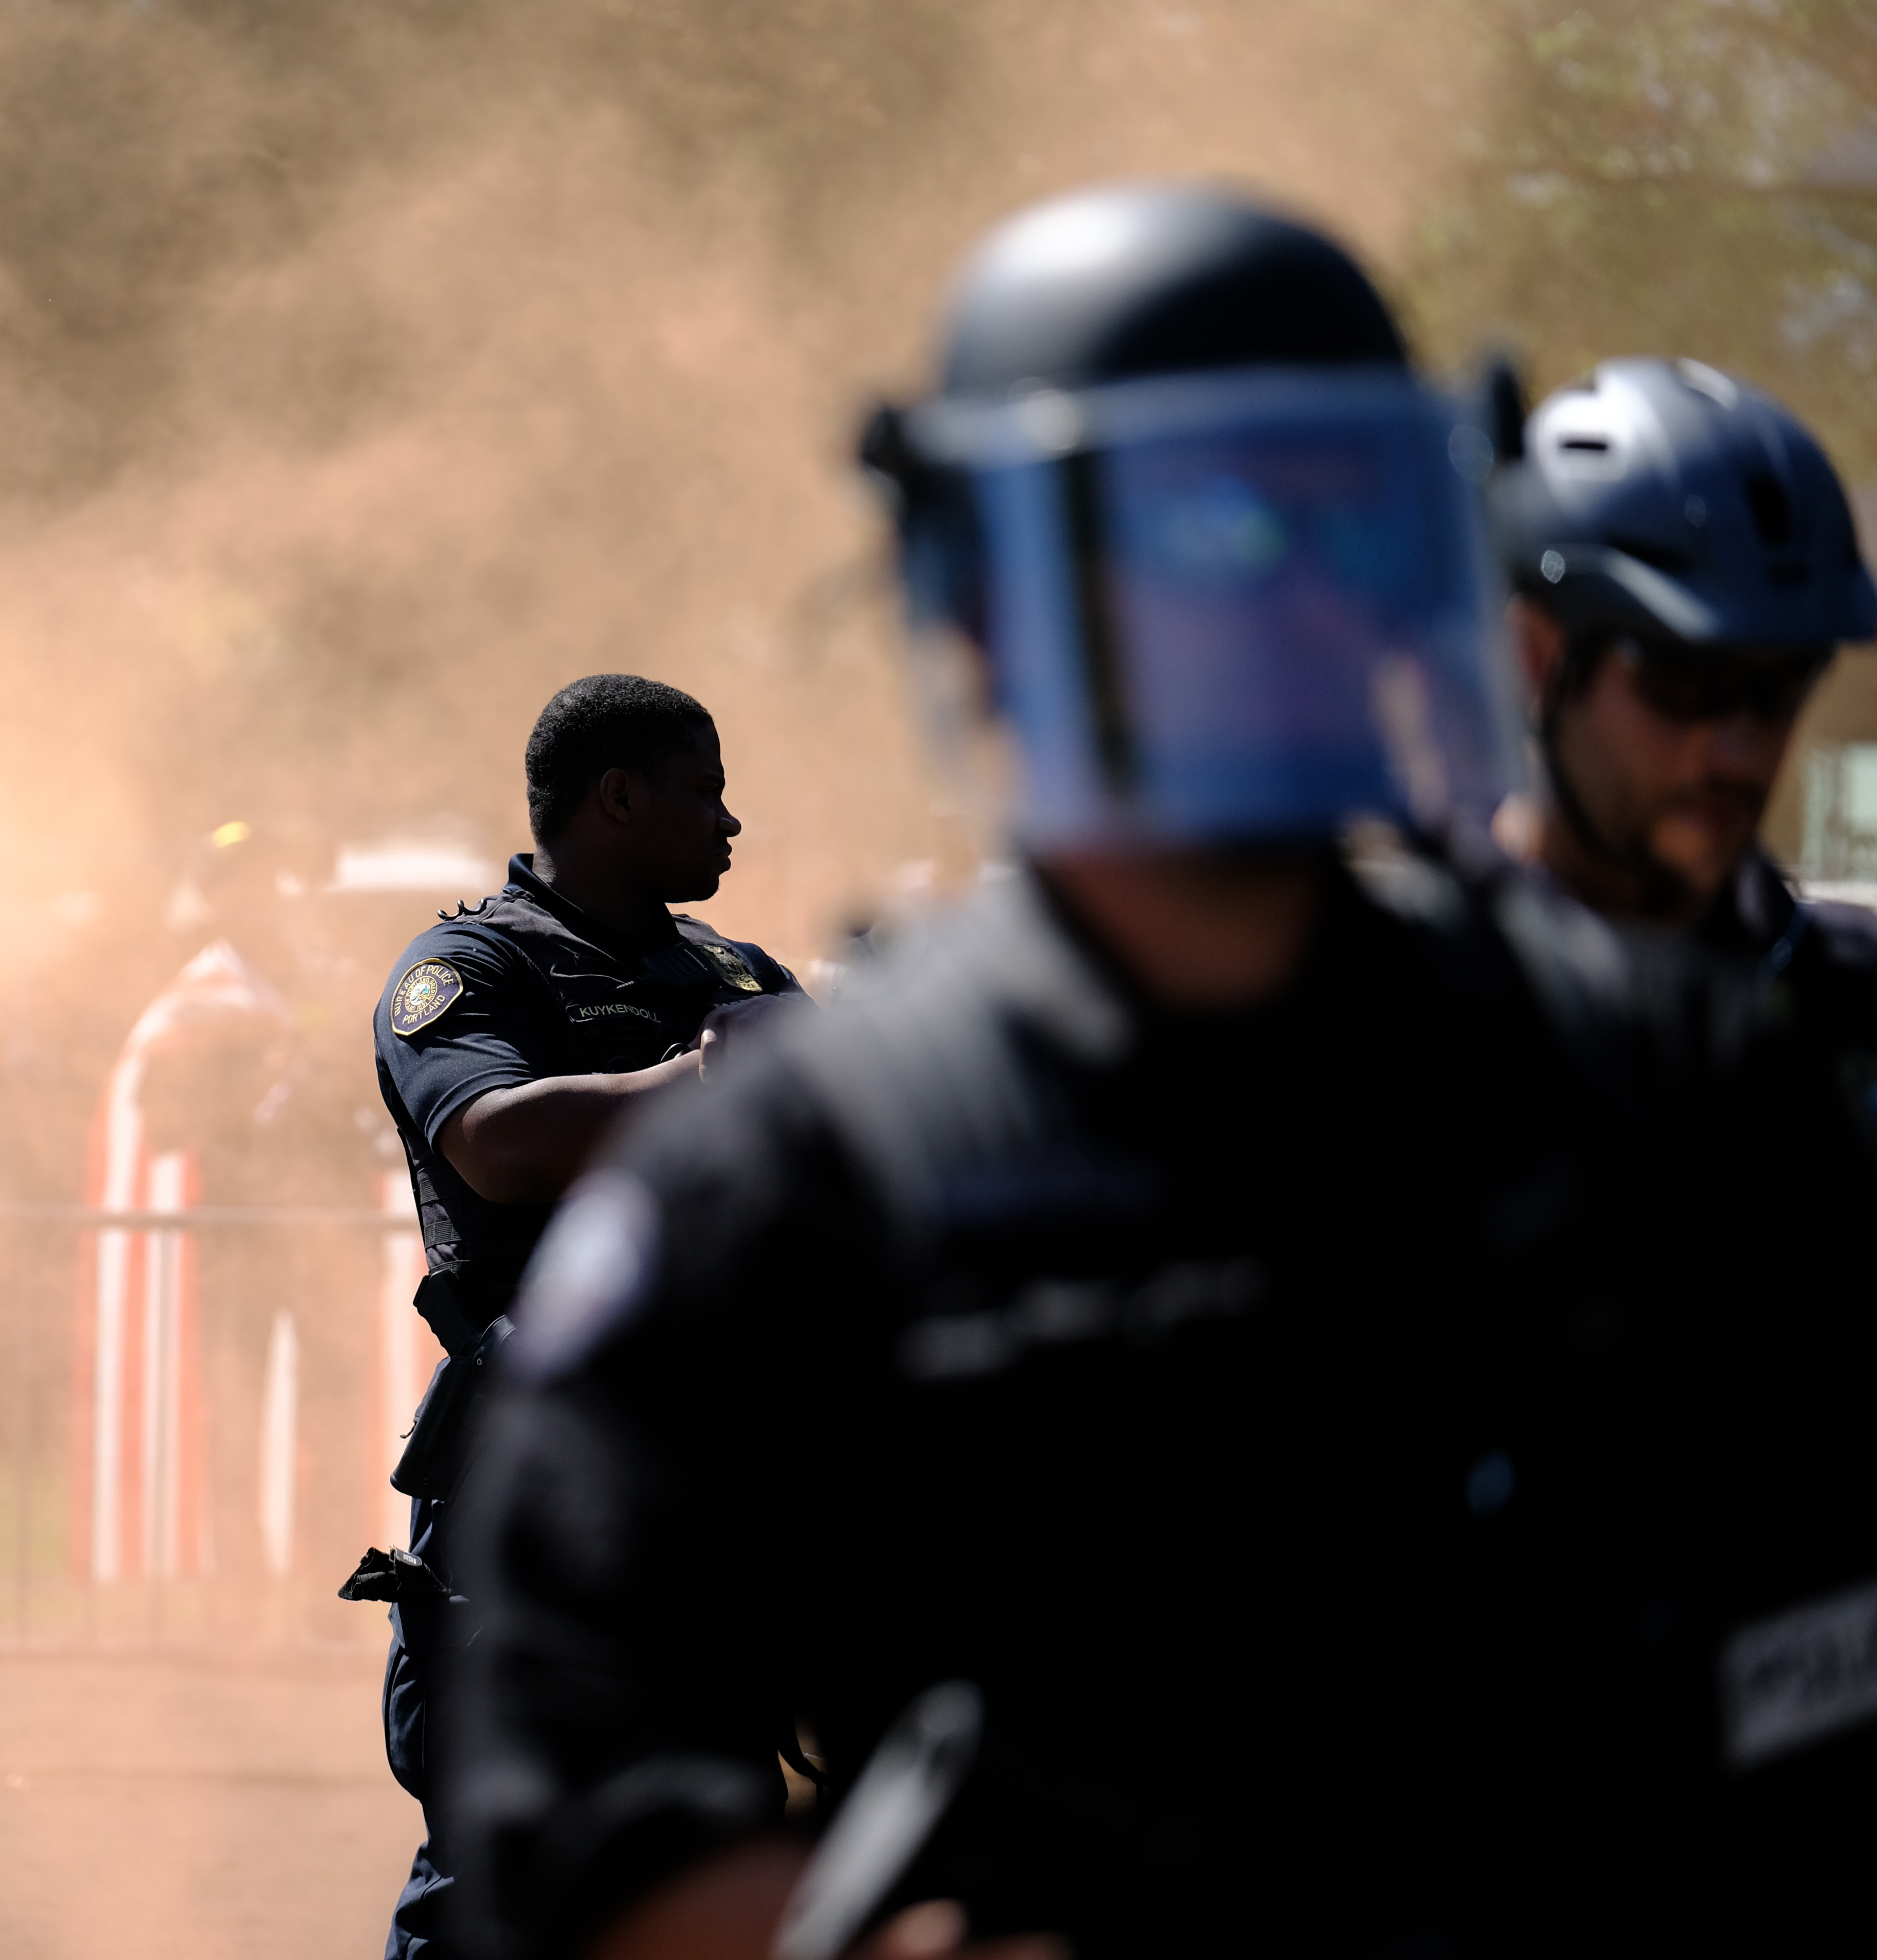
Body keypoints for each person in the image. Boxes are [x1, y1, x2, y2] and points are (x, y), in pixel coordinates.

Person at [442, 185, 1877, 1959]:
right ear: (993, 597)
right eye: (1192, 539)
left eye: (1329, 525)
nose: (1272, 606)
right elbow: (576, 1817)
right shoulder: (802, 1172)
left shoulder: (1673, 1082)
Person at [348, 674, 802, 1960]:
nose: (730, 824)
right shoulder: (470, 967)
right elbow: (495, 1143)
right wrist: (706, 1079)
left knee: (718, 1825)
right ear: (617, 797)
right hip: (531, 1464)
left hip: (724, 1468)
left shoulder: (739, 973)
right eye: (704, 792)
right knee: (503, 1848)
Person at [1491, 354, 1877, 1062]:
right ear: (1538, 660)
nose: (1739, 749)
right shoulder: (1396, 1016)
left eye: (1781, 690)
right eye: (1682, 685)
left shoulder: (1854, 1011)